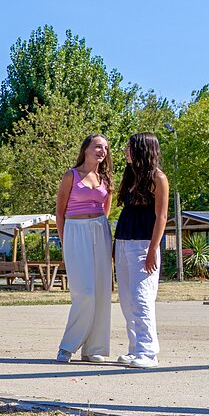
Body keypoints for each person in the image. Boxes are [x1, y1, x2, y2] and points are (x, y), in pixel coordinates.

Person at [55, 135, 114, 363]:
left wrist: (98, 229)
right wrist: (64, 240)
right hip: (74, 230)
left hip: (99, 230)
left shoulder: (105, 178)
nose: (102, 151)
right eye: (98, 146)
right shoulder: (71, 175)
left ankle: (93, 348)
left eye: (105, 148)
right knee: (85, 292)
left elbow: (105, 209)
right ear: (86, 149)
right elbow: (60, 212)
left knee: (101, 292)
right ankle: (67, 346)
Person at [113, 133, 170, 368]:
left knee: (141, 297)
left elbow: (162, 216)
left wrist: (152, 250)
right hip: (124, 241)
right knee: (126, 300)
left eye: (130, 147)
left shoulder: (158, 178)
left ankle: (148, 352)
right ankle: (135, 348)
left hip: (144, 244)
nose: (126, 150)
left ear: (143, 149)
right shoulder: (131, 176)